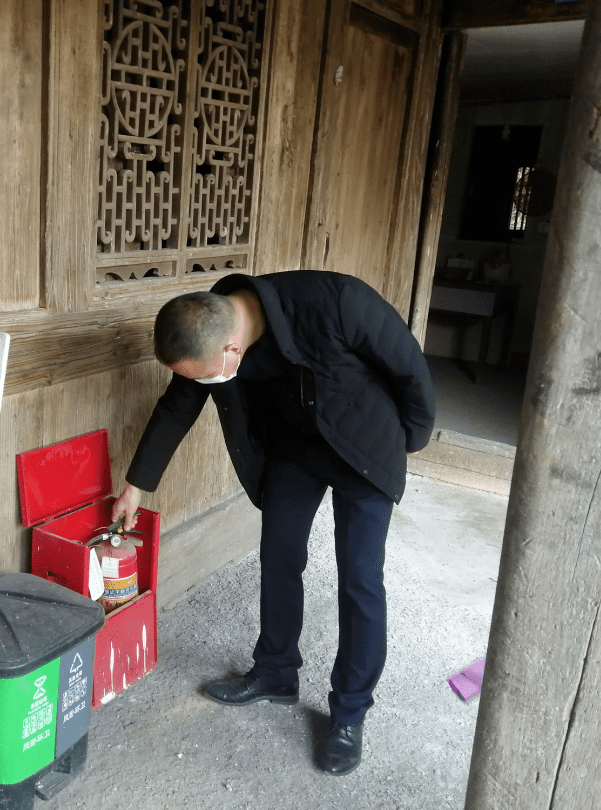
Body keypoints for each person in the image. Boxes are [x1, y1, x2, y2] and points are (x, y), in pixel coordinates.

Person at [110, 270, 436, 776]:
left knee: (359, 579)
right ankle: (276, 672)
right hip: (294, 448)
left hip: (364, 448)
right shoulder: (207, 322)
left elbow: (409, 368)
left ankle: (349, 713)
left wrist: (408, 441)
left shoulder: (338, 302)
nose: (198, 383)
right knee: (279, 557)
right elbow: (179, 403)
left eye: (203, 374)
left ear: (232, 351)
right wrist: (137, 484)